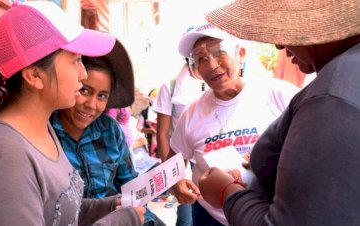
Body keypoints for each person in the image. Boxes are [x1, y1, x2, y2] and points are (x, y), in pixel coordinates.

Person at [0, 1, 144, 225]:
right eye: (76, 60)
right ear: (35, 76)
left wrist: (108, 206)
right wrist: (123, 220)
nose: (83, 73)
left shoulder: (42, 128)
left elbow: (61, 207)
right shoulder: (4, 153)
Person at [198, 0, 360, 225]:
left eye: (285, 27)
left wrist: (227, 192)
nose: (279, 45)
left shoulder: (330, 96)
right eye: (202, 59)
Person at [166, 23, 300, 225]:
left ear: (241, 54)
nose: (211, 65)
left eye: (219, 52)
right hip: (210, 218)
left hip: (269, 213)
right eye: (201, 59)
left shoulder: (279, 94)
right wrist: (177, 183)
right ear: (196, 69)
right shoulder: (190, 113)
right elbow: (172, 163)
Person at [50, 40, 165, 226]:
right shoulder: (46, 133)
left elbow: (131, 187)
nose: (92, 105)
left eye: (102, 96)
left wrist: (146, 220)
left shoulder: (110, 131)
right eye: (84, 90)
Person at [152, 58, 205, 226]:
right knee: (186, 218)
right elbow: (162, 134)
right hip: (182, 162)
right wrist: (172, 175)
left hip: (209, 160)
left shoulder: (215, 83)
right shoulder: (171, 87)